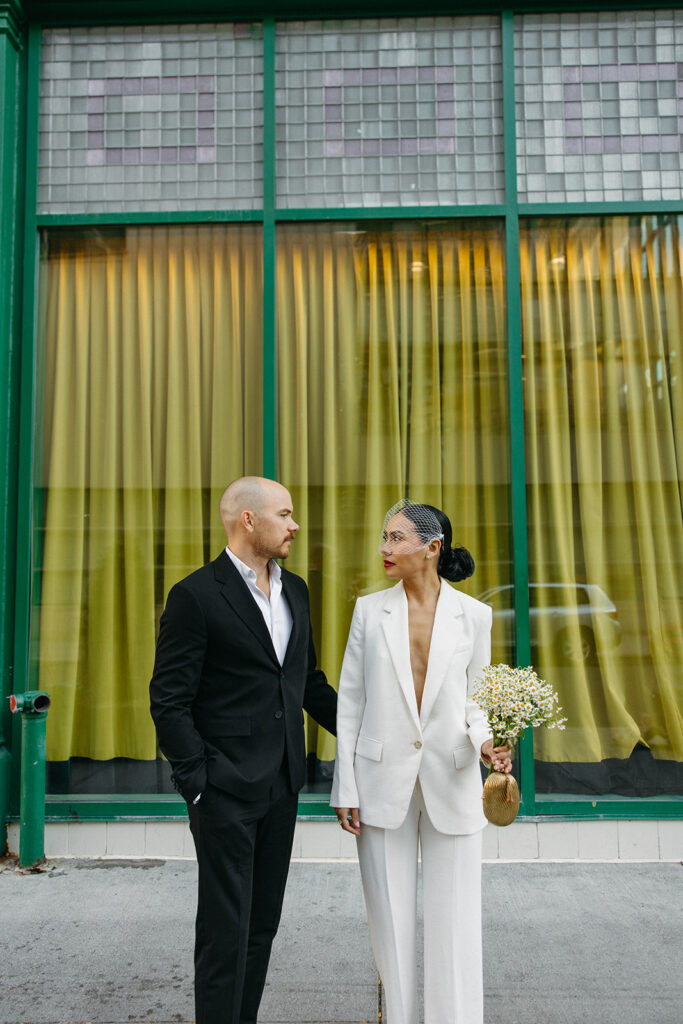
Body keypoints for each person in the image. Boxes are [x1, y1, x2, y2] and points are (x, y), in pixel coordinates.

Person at [150, 476, 337, 1024]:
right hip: (224, 789)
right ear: (248, 520)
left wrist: (375, 731)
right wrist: (199, 782)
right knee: (224, 929)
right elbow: (168, 700)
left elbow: (307, 682)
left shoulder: (295, 589)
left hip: (282, 783)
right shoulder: (196, 595)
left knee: (261, 926)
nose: (295, 525)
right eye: (286, 514)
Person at [331, 499, 511, 1024]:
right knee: (389, 921)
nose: (385, 548)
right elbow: (350, 702)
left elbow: (476, 698)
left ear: (432, 548)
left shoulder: (475, 615)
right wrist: (346, 786)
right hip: (379, 780)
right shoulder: (368, 610)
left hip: (452, 778)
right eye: (384, 537)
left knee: (455, 921)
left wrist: (485, 744)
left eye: (397, 538)